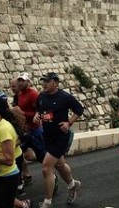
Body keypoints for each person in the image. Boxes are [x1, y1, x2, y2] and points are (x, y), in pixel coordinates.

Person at [34, 72, 84, 208]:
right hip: (47, 136)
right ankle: (73, 185)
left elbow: (79, 109)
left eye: (47, 81)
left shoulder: (64, 97)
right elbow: (38, 109)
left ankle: (47, 202)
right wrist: (37, 116)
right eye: (43, 81)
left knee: (46, 167)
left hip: (60, 136)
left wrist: (69, 123)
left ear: (55, 83)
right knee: (59, 165)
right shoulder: (41, 96)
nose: (44, 84)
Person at [15, 72, 45, 186]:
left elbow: (39, 112)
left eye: (22, 80)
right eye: (19, 80)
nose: (20, 83)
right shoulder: (20, 94)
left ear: (28, 82)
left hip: (35, 129)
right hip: (25, 130)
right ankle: (23, 177)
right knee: (19, 154)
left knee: (42, 155)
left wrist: (22, 113)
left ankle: (51, 176)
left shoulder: (33, 94)